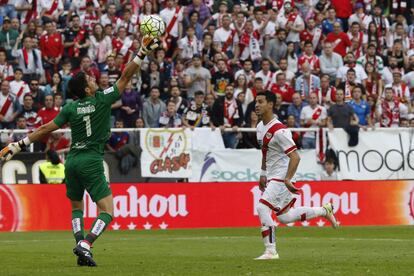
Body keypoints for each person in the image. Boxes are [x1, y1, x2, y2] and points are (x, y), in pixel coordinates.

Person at [0, 35, 160, 266]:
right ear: (87, 88)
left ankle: (81, 249)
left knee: (77, 207)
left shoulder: (70, 107)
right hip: (91, 160)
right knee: (107, 211)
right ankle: (86, 243)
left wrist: (18, 145)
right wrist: (142, 51)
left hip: (72, 161)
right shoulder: (101, 99)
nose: (95, 79)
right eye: (91, 79)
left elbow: (45, 128)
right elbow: (126, 75)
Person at [254, 90, 337, 260]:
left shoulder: (280, 131)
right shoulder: (260, 127)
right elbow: (265, 152)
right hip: (273, 176)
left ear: (270, 104)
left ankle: (271, 251)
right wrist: (263, 173)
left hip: (282, 176)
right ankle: (323, 210)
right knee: (284, 216)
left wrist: (287, 179)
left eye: (261, 101)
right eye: (256, 101)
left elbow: (295, 156)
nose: (257, 105)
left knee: (262, 208)